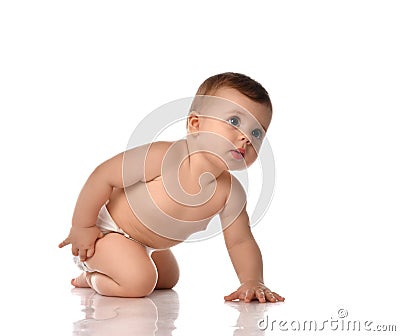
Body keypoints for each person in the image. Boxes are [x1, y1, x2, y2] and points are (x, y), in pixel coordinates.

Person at [59, 72, 285, 303]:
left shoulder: (231, 193)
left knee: (168, 279)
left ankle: (122, 265)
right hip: (106, 233)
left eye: (256, 133)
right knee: (140, 281)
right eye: (234, 122)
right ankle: (91, 277)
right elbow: (103, 176)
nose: (246, 137)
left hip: (146, 244)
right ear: (195, 124)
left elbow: (241, 241)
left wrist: (252, 280)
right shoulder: (163, 156)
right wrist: (83, 226)